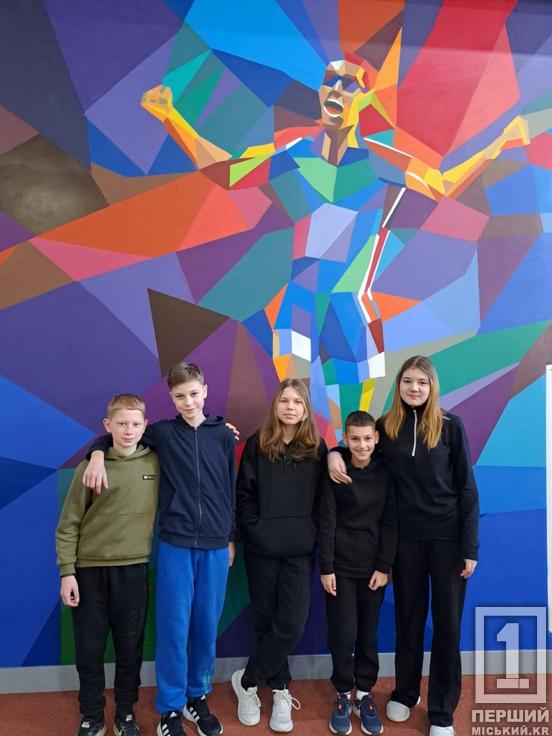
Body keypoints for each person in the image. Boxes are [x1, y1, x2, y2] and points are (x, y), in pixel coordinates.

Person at [140, 49, 534, 432]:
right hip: (299, 305)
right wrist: (170, 116)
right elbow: (227, 172)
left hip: (352, 310)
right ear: (320, 91)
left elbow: (444, 184)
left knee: (358, 428)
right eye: (331, 81)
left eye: (350, 85)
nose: (337, 90)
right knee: (293, 423)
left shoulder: (381, 161)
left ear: (365, 100)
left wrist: (500, 143)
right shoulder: (296, 154)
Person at [328, 356, 479, 736]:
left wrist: (470, 546)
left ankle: (441, 711)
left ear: (432, 387)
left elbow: (467, 487)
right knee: (408, 620)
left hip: (447, 540)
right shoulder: (387, 427)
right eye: (408, 381)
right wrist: (332, 453)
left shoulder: (451, 426)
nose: (414, 388)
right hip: (406, 541)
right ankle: (406, 693)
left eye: (422, 382)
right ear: (398, 385)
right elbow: (357, 445)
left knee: (447, 625)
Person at [83, 363, 236, 736]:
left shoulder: (223, 435)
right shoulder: (162, 433)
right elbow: (117, 436)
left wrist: (230, 536)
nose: (188, 401)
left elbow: (231, 487)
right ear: (171, 398)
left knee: (205, 627)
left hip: (216, 546)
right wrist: (97, 454)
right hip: (175, 545)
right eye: (180, 396)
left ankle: (196, 697)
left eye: (194, 393)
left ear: (205, 390)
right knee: (173, 628)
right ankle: (170, 708)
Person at [56, 393, 158, 736]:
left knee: (130, 649)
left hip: (133, 571)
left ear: (145, 425)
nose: (128, 430)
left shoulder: (156, 463)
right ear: (107, 425)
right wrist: (67, 572)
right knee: (89, 649)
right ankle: (92, 714)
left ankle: (125, 712)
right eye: (121, 423)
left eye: (135, 423)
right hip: (88, 573)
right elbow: (68, 525)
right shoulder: (89, 467)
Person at [231, 378, 327, 733]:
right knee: (265, 621)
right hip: (261, 550)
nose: (290, 407)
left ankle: (247, 679)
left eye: (297, 402)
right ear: (276, 405)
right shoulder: (258, 443)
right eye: (284, 400)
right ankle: (280, 688)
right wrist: (255, 531)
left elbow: (324, 500)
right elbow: (244, 495)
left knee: (291, 624)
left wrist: (311, 532)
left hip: (299, 551)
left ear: (305, 409)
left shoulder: (317, 448)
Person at [319, 411, 397, 736]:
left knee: (368, 633)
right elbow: (326, 521)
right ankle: (341, 693)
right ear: (345, 439)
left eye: (367, 438)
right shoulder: (336, 472)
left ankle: (363, 695)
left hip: (373, 570)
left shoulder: (387, 473)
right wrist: (326, 568)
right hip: (339, 568)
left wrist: (384, 566)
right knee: (343, 633)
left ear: (376, 439)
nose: (362, 445)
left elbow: (391, 523)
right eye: (354, 439)